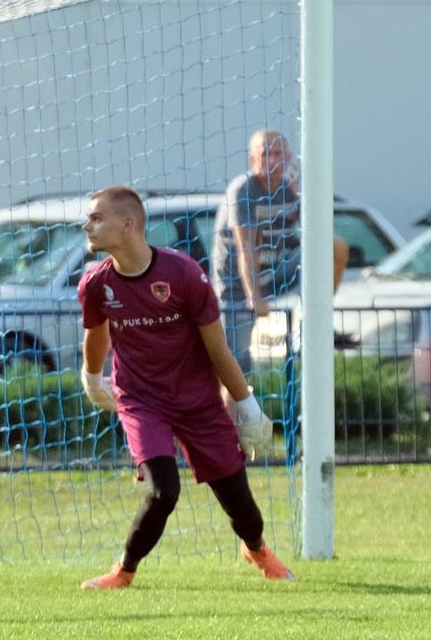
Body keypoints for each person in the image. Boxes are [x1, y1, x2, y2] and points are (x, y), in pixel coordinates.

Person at [76, 186, 292, 589]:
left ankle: (257, 548)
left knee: (240, 503)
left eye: (96, 218)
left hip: (197, 400)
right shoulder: (96, 283)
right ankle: (123, 572)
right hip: (141, 401)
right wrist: (91, 377)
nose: (87, 225)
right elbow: (96, 334)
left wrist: (246, 406)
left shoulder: (183, 274)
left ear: (128, 224)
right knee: (164, 491)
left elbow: (218, 348)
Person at [212, 129, 352, 372]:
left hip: (277, 272)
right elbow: (247, 249)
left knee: (335, 247)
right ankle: (233, 406)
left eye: (277, 154)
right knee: (238, 370)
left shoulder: (289, 188)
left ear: (287, 157)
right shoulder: (243, 190)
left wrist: (304, 195)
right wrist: (254, 298)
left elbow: (315, 233)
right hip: (238, 285)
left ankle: (319, 318)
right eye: (265, 154)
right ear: (252, 159)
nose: (272, 161)